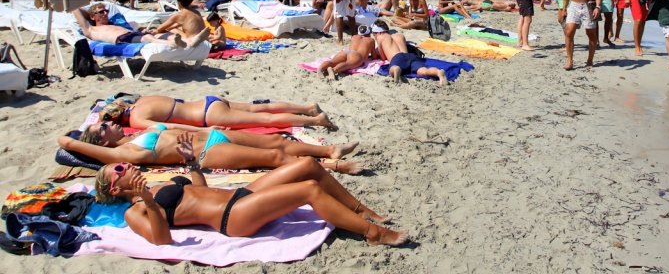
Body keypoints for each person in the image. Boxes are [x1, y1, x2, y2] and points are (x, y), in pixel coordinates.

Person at [94, 154, 408, 246]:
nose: (128, 165)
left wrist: (193, 167)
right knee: (308, 189)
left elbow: (197, 189)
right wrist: (148, 201)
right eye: (119, 168)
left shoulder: (158, 186)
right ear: (116, 188)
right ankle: (374, 234)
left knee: (308, 166)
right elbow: (161, 240)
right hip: (232, 218)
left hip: (241, 196)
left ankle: (360, 209)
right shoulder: (134, 212)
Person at [60, 122, 361, 174]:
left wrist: (208, 129)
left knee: (279, 141)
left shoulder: (136, 134)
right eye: (101, 128)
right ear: (101, 143)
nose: (108, 124)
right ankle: (335, 167)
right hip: (207, 154)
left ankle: (329, 151)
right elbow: (68, 143)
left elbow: (178, 130)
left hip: (213, 137)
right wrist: (74, 137)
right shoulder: (123, 153)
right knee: (273, 157)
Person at [98, 95, 338, 131]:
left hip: (206, 116)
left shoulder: (137, 119)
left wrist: (204, 130)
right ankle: (307, 108)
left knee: (265, 119)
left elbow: (170, 127)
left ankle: (316, 119)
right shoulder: (141, 100)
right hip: (207, 99)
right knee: (260, 108)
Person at [73, 3, 196, 48]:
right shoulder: (90, 29)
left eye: (106, 11)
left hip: (131, 34)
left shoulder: (112, 23)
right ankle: (173, 44)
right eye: (101, 12)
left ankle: (190, 41)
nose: (105, 13)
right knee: (148, 38)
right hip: (122, 39)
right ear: (93, 16)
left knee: (165, 34)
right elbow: (77, 10)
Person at [373, 23, 448, 85]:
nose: (375, 36)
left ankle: (396, 69)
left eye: (374, 34)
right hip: (411, 56)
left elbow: (383, 57)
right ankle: (438, 72)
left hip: (397, 57)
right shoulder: (400, 35)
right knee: (423, 71)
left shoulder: (381, 37)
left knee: (393, 67)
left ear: (379, 32)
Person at [316, 21, 380, 81]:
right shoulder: (371, 40)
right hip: (357, 55)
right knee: (347, 64)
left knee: (332, 61)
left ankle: (320, 69)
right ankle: (334, 70)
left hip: (346, 51)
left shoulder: (354, 37)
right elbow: (374, 57)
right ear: (369, 33)